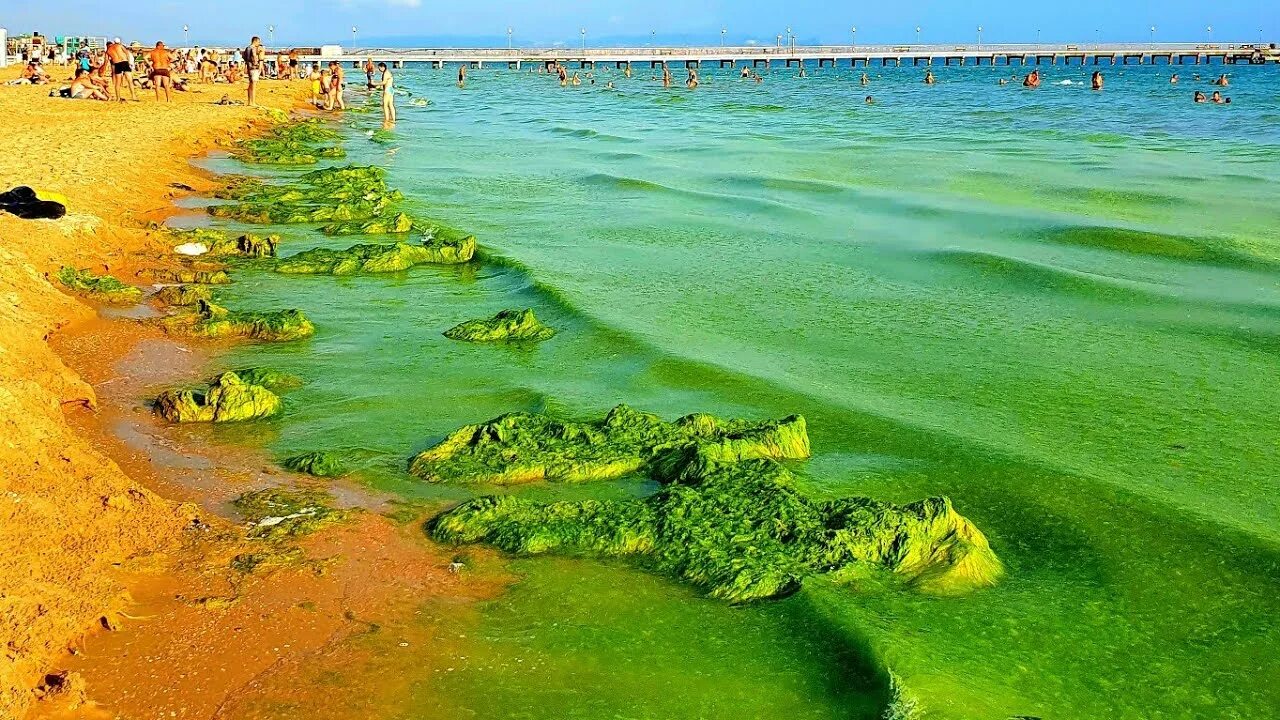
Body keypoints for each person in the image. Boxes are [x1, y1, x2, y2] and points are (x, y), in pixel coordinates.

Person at [245, 36, 263, 106]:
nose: (259, 43)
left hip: (249, 67)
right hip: (254, 67)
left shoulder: (247, 48)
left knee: (250, 85)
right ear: (255, 41)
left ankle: (250, 102)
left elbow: (245, 57)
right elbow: (254, 57)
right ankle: (253, 102)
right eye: (258, 42)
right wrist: (258, 64)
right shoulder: (253, 48)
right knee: (254, 86)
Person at [377, 62, 395, 126]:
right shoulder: (388, 72)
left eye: (379, 68)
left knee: (385, 105)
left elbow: (384, 82)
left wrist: (375, 83)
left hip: (387, 90)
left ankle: (387, 119)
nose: (379, 70)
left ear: (382, 67)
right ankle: (393, 119)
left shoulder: (386, 73)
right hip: (391, 89)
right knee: (391, 105)